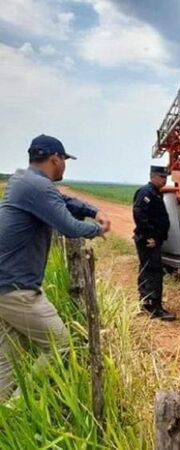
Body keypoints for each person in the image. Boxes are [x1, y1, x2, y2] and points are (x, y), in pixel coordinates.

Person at [0, 134, 111, 402]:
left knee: (8, 360)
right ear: (55, 159)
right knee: (61, 345)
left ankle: (5, 420)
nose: (65, 166)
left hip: (5, 285)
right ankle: (16, 410)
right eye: (64, 161)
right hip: (17, 288)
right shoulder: (38, 187)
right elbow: (69, 227)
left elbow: (65, 202)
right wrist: (98, 228)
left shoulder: (24, 181)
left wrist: (92, 209)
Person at [132, 166, 175, 321]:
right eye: (161, 177)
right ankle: (154, 309)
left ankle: (147, 303)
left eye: (165, 177)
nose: (164, 180)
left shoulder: (155, 193)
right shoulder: (146, 192)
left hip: (152, 239)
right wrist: (149, 236)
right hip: (148, 240)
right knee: (153, 272)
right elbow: (139, 213)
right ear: (152, 176)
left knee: (147, 270)